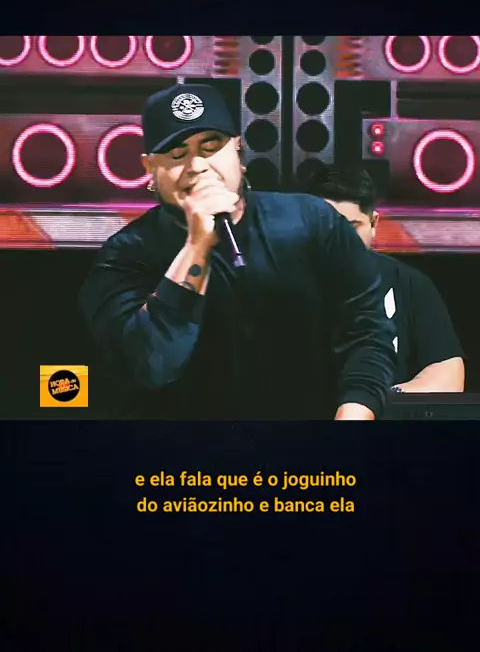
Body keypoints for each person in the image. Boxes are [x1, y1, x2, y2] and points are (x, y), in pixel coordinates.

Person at [79, 84, 398, 420]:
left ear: (238, 152)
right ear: (150, 170)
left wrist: (353, 415)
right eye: (176, 154)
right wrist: (197, 246)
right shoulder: (125, 255)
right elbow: (150, 364)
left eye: (211, 147)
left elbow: (368, 334)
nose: (197, 165)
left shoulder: (311, 222)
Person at [306, 164, 465, 393]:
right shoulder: (280, 280)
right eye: (328, 228)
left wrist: (382, 400)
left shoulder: (409, 284)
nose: (341, 241)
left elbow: (447, 372)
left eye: (352, 228)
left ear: (373, 224)